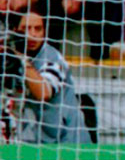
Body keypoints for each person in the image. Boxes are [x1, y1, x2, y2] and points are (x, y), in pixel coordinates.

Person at [10, 12, 91, 144]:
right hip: (39, 141)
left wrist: (22, 60)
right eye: (26, 28)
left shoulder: (53, 59)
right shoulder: (11, 59)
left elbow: (43, 93)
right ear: (15, 31)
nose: (32, 35)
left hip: (70, 142)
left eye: (38, 29)